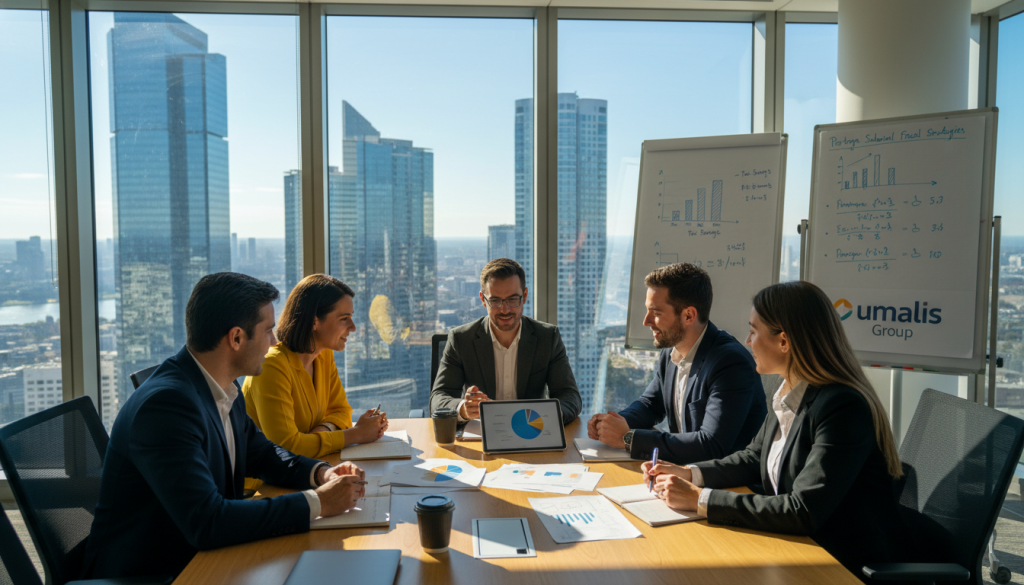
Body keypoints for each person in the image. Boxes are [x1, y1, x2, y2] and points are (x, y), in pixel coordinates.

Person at [82, 273, 368, 580]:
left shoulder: (221, 388)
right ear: (236, 338)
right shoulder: (165, 406)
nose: (274, 341)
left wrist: (321, 473)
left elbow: (263, 454)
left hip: (208, 557)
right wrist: (319, 502)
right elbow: (208, 522)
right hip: (157, 572)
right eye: (268, 331)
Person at [643, 281, 911, 581]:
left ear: (784, 341)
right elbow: (752, 458)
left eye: (754, 331)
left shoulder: (842, 408)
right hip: (794, 548)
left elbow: (802, 510)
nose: (747, 340)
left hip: (837, 564)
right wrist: (688, 473)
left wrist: (699, 499)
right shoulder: (790, 391)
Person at [588, 263, 766, 463]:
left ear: (688, 315)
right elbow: (651, 404)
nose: (646, 321)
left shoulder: (730, 363)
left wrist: (628, 438)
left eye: (656, 313)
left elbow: (711, 445)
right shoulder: (671, 351)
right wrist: (613, 424)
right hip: (683, 473)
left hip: (728, 485)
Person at [242, 274, 387, 489]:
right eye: (344, 318)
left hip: (305, 474)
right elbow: (286, 448)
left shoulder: (323, 355)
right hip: (263, 489)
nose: (353, 327)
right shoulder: (272, 366)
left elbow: (342, 411)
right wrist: (355, 434)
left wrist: (319, 433)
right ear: (314, 321)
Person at [430, 258, 582, 424]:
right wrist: (463, 409)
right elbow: (438, 399)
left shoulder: (548, 337)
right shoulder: (461, 339)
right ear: (483, 299)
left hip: (532, 432)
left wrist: (546, 417)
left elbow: (570, 396)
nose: (505, 309)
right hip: (481, 437)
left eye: (512, 299)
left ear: (524, 296)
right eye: (495, 300)